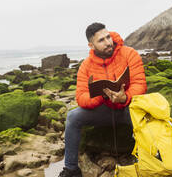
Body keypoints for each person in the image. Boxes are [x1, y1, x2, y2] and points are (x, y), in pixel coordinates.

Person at [58, 22, 147, 177]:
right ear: (91, 45)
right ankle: (71, 169)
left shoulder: (129, 53)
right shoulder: (85, 66)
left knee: (149, 117)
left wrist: (125, 97)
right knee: (73, 116)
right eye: (101, 40)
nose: (108, 42)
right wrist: (100, 95)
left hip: (128, 108)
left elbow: (140, 84)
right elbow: (81, 97)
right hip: (104, 109)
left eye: (108, 37)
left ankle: (152, 160)